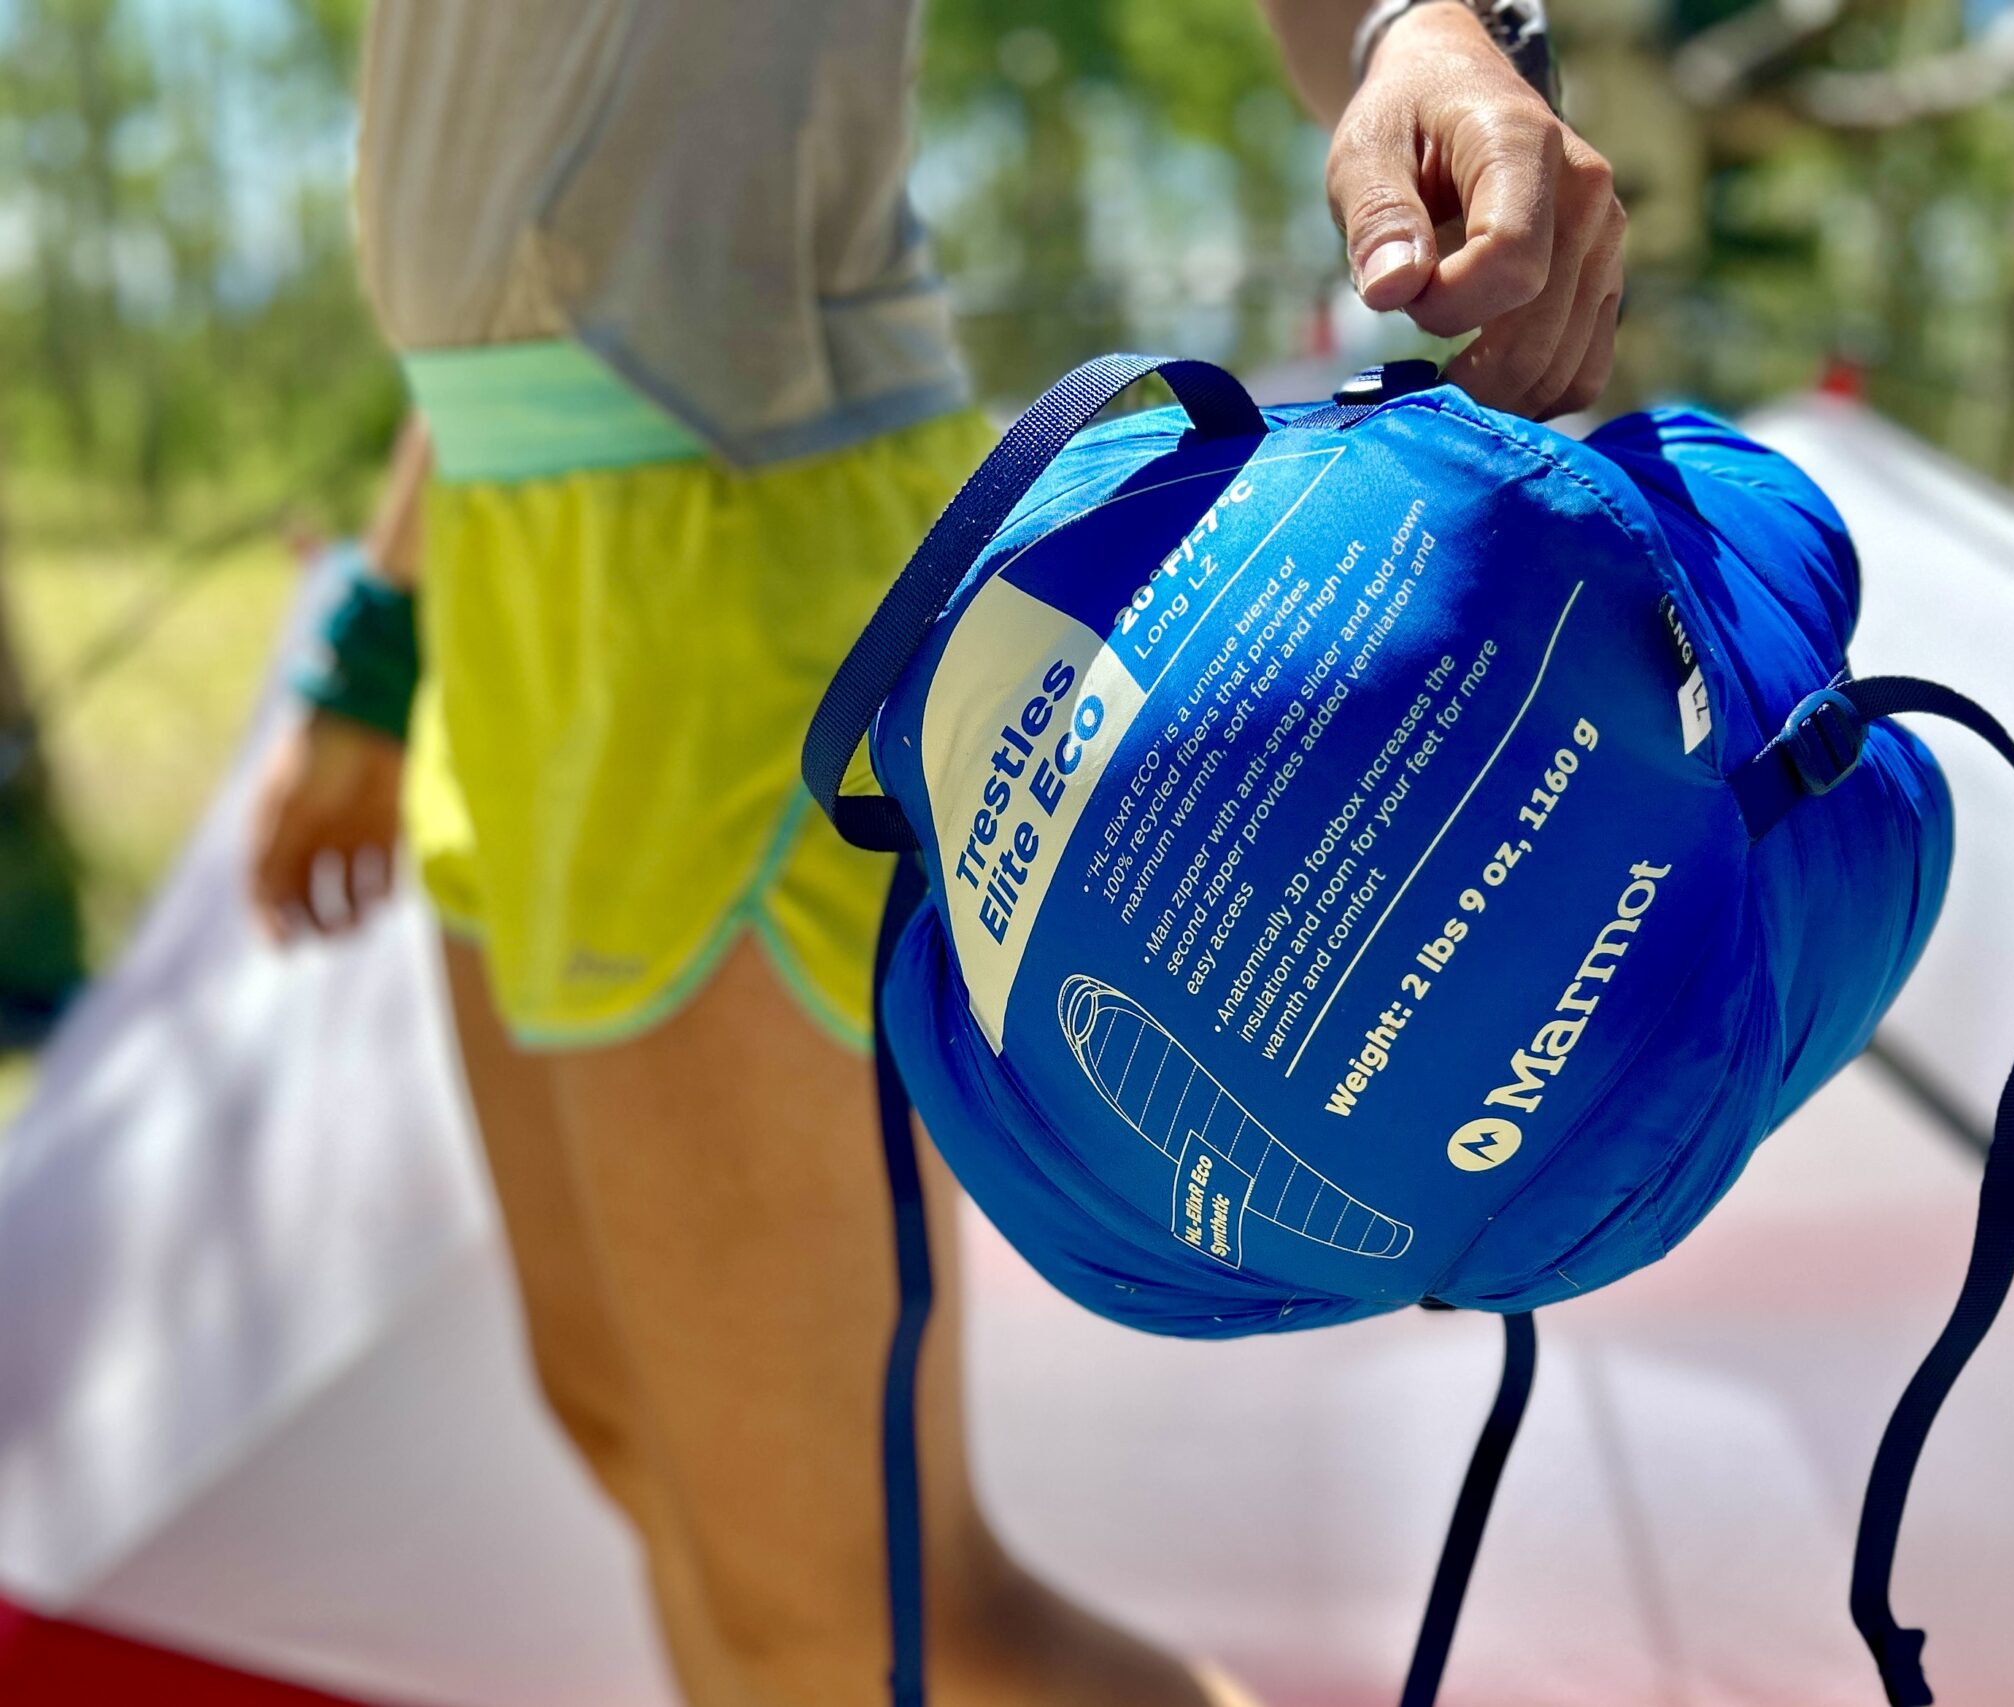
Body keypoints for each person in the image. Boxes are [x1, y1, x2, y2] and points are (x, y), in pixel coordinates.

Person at [250, 3, 1624, 1703]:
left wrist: (1406, 30)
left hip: (750, 542)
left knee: (855, 1607)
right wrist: (382, 635)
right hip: (499, 560)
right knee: (651, 1464)